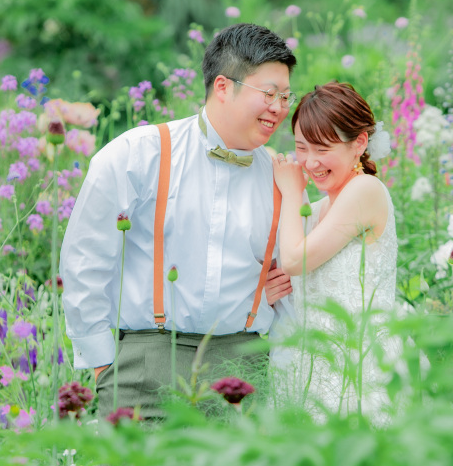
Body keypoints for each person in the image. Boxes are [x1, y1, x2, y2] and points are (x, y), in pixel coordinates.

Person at [60, 23, 296, 422]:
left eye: (286, 96)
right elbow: (85, 259)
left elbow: (302, 261)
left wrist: (286, 281)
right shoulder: (138, 154)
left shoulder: (281, 175)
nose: (279, 107)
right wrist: (103, 364)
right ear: (223, 86)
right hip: (146, 363)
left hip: (241, 372)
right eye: (269, 94)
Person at [269, 81, 397, 420]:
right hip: (314, 363)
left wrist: (291, 191)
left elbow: (295, 260)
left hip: (359, 363)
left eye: (322, 149)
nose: (310, 162)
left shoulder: (366, 189)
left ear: (359, 143)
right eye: (301, 148)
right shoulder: (321, 207)